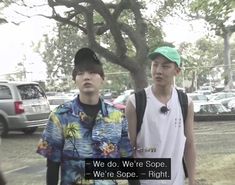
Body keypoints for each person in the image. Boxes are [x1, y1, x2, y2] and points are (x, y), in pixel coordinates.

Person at [37, 48, 133, 185]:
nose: (86, 77)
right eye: (80, 73)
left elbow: (128, 160)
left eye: (92, 72)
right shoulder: (60, 116)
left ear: (102, 79)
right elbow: (52, 164)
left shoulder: (117, 117)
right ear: (75, 80)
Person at [125, 46, 196, 185]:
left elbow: (189, 144)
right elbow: (129, 148)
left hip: (177, 181)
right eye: (155, 65)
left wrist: (192, 180)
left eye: (165, 66)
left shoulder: (185, 102)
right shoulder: (135, 102)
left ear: (177, 71)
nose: (158, 71)